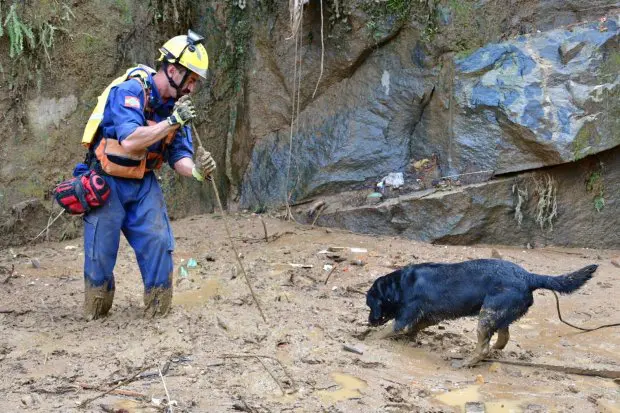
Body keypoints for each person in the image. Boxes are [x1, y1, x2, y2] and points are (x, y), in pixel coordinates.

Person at [80, 30, 216, 320]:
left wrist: (197, 172)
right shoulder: (130, 91)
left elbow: (178, 156)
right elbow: (130, 139)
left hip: (143, 184)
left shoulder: (177, 111)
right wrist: (171, 122)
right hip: (107, 181)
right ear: (171, 69)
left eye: (195, 82)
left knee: (158, 241)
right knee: (99, 254)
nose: (192, 88)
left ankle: (158, 309)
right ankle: (96, 309)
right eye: (189, 79)